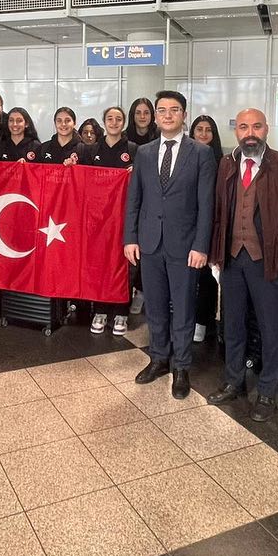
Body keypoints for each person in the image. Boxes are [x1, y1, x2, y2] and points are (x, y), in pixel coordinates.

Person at [207, 109, 278, 421]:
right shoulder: (226, 164)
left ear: (266, 129)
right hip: (231, 259)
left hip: (269, 261)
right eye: (243, 127)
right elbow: (218, 212)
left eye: (256, 126)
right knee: (233, 325)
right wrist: (215, 253)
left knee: (270, 329)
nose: (249, 133)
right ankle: (234, 381)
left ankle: (267, 392)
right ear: (236, 132)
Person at [124, 90, 215, 400]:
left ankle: (182, 367)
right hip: (150, 242)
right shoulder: (145, 152)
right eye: (161, 110)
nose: (167, 115)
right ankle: (159, 359)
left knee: (184, 308)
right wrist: (130, 238)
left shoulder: (200, 153)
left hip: (185, 246)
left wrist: (201, 245)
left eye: (174, 110)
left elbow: (206, 205)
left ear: (183, 115)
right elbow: (134, 199)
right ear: (156, 115)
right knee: (156, 306)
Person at [71, 105, 138, 335]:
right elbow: (80, 179)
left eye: (118, 119)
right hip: (97, 220)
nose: (114, 122)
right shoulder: (91, 150)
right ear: (104, 122)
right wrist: (71, 167)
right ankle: (99, 310)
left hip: (123, 218)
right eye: (110, 118)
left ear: (123, 122)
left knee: (123, 265)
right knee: (99, 264)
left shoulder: (133, 150)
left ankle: (121, 312)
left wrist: (134, 172)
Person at [189, 115, 223, 343]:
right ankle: (187, 319)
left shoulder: (223, 161)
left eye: (208, 130)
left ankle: (203, 321)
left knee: (208, 278)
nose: (203, 133)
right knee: (188, 277)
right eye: (199, 129)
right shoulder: (184, 157)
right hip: (186, 226)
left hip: (212, 225)